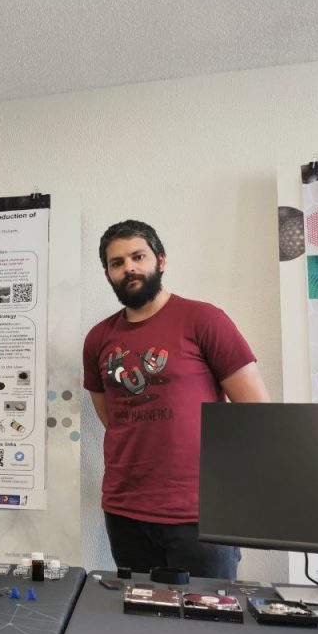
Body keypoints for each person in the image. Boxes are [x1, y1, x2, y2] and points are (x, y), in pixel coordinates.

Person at [82, 220, 269, 579]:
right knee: (141, 621)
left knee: (208, 622)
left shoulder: (204, 319)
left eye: (138, 256)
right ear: (107, 273)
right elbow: (114, 417)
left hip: (201, 511)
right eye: (116, 263)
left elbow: (255, 412)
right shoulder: (98, 338)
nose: (129, 268)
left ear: (161, 260)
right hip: (125, 510)